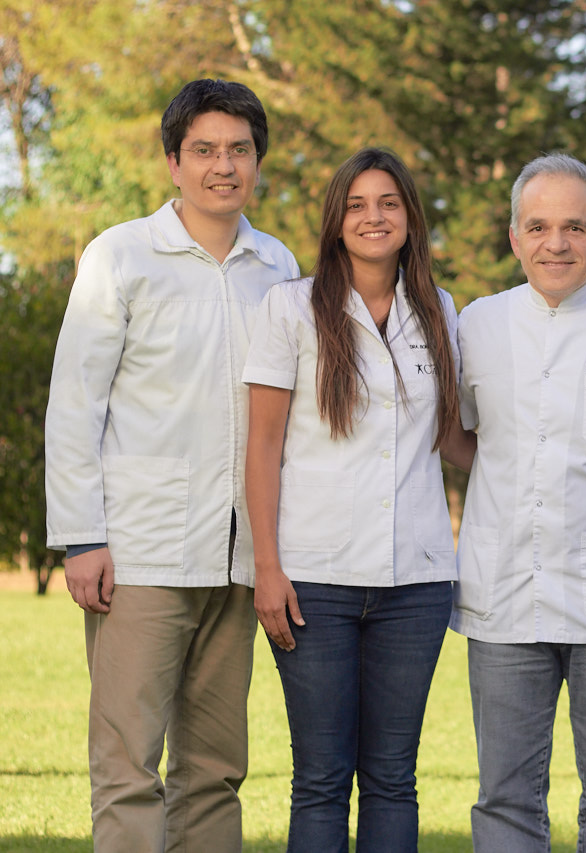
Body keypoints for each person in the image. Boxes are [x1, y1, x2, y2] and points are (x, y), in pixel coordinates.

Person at [43, 79, 298, 852]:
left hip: (239, 560)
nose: (224, 166)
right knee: (127, 765)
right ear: (173, 162)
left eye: (239, 150)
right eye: (205, 150)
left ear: (258, 161)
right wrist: (82, 537)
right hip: (140, 555)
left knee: (216, 769)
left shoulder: (277, 264)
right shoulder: (121, 256)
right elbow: (75, 404)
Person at [243, 147, 471, 851]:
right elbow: (262, 445)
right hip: (315, 580)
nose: (374, 217)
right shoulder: (290, 306)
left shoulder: (439, 310)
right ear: (336, 221)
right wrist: (267, 568)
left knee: (393, 777)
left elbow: (453, 439)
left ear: (410, 217)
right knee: (320, 778)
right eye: (357, 205)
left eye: (389, 203)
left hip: (417, 582)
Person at [452, 153, 586, 853]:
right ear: (514, 237)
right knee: (505, 795)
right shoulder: (476, 325)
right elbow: (454, 433)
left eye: (575, 226)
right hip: (504, 595)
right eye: (539, 227)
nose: (556, 243)